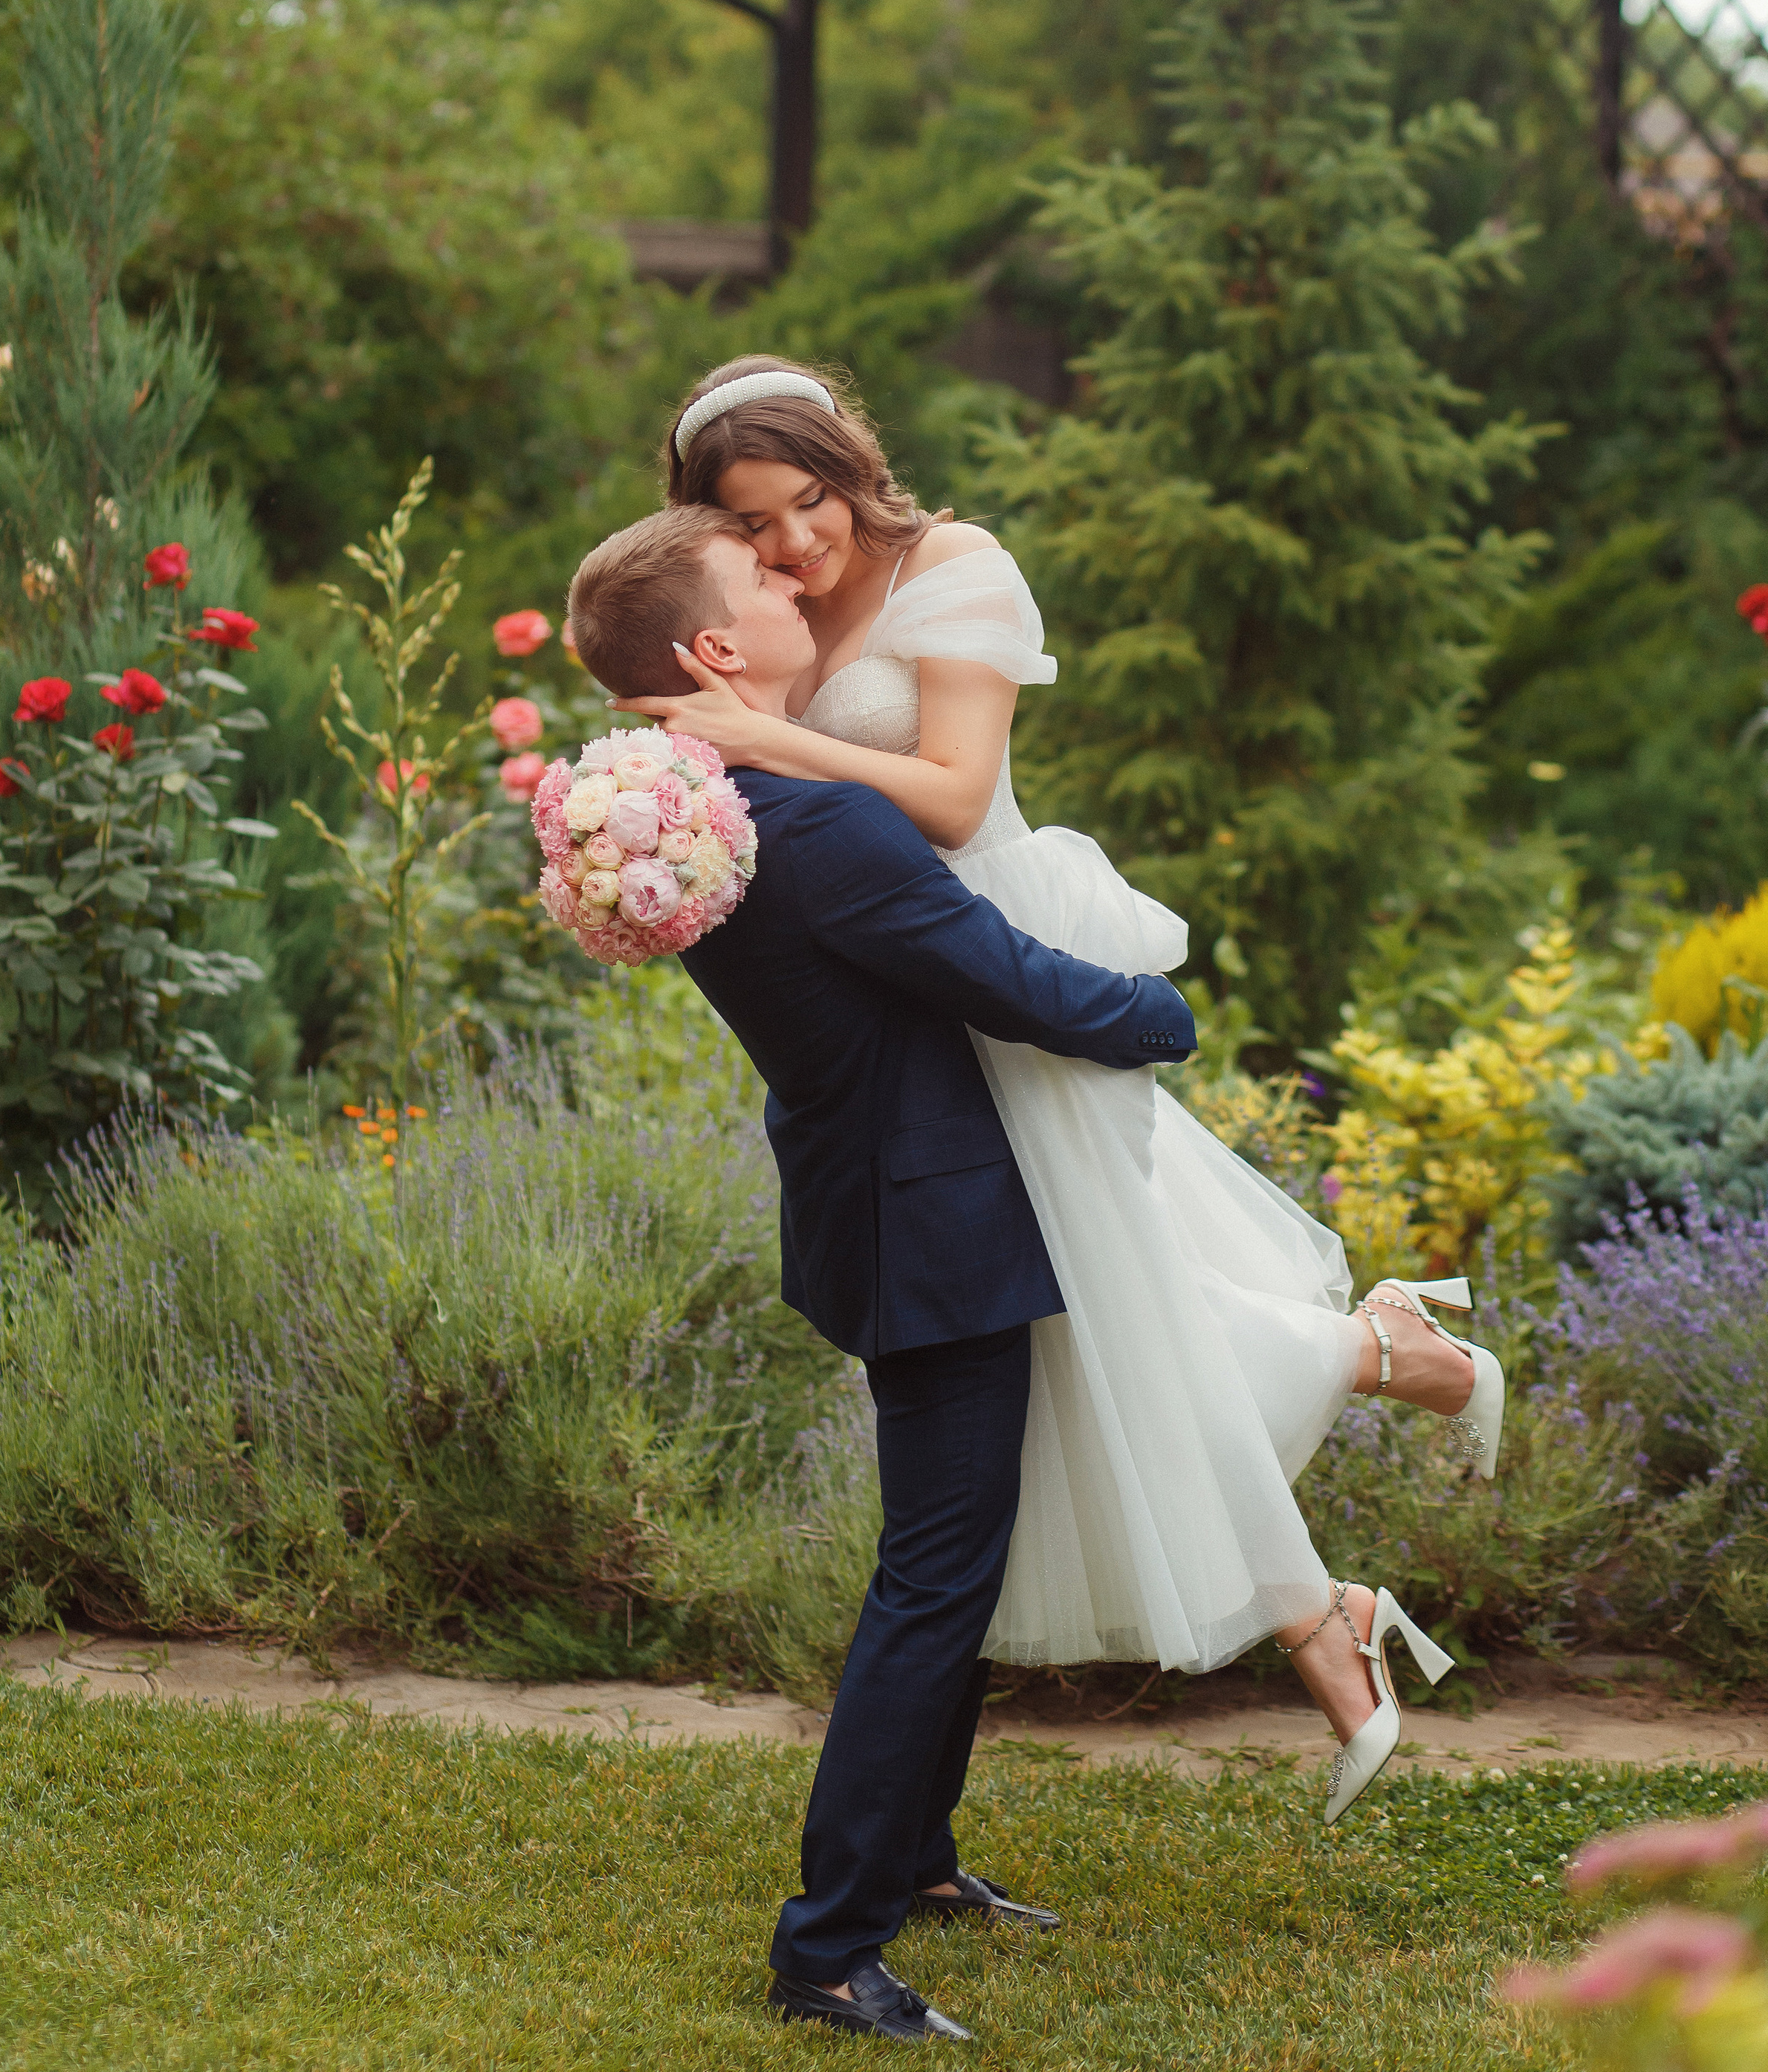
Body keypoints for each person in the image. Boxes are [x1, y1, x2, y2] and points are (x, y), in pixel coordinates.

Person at [618, 354, 1506, 1824]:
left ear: (849, 466)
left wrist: (764, 739)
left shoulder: (955, 565)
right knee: (1095, 1333)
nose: (793, 542)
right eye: (753, 524)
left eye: (807, 500)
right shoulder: (766, 616)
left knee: (1106, 1304)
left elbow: (956, 793)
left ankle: (1362, 1403)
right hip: (902, 988)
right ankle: (1338, 1549)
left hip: (1001, 953)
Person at [566, 503, 1200, 2043]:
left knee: (949, 1558)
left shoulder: (713, 806)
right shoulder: (820, 826)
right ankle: (828, 1949)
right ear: (715, 648)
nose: (795, 580)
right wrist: (1161, 1012)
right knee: (933, 1578)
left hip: (879, 1195)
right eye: (760, 576)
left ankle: (914, 1862)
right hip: (935, 1225)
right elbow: (1007, 982)